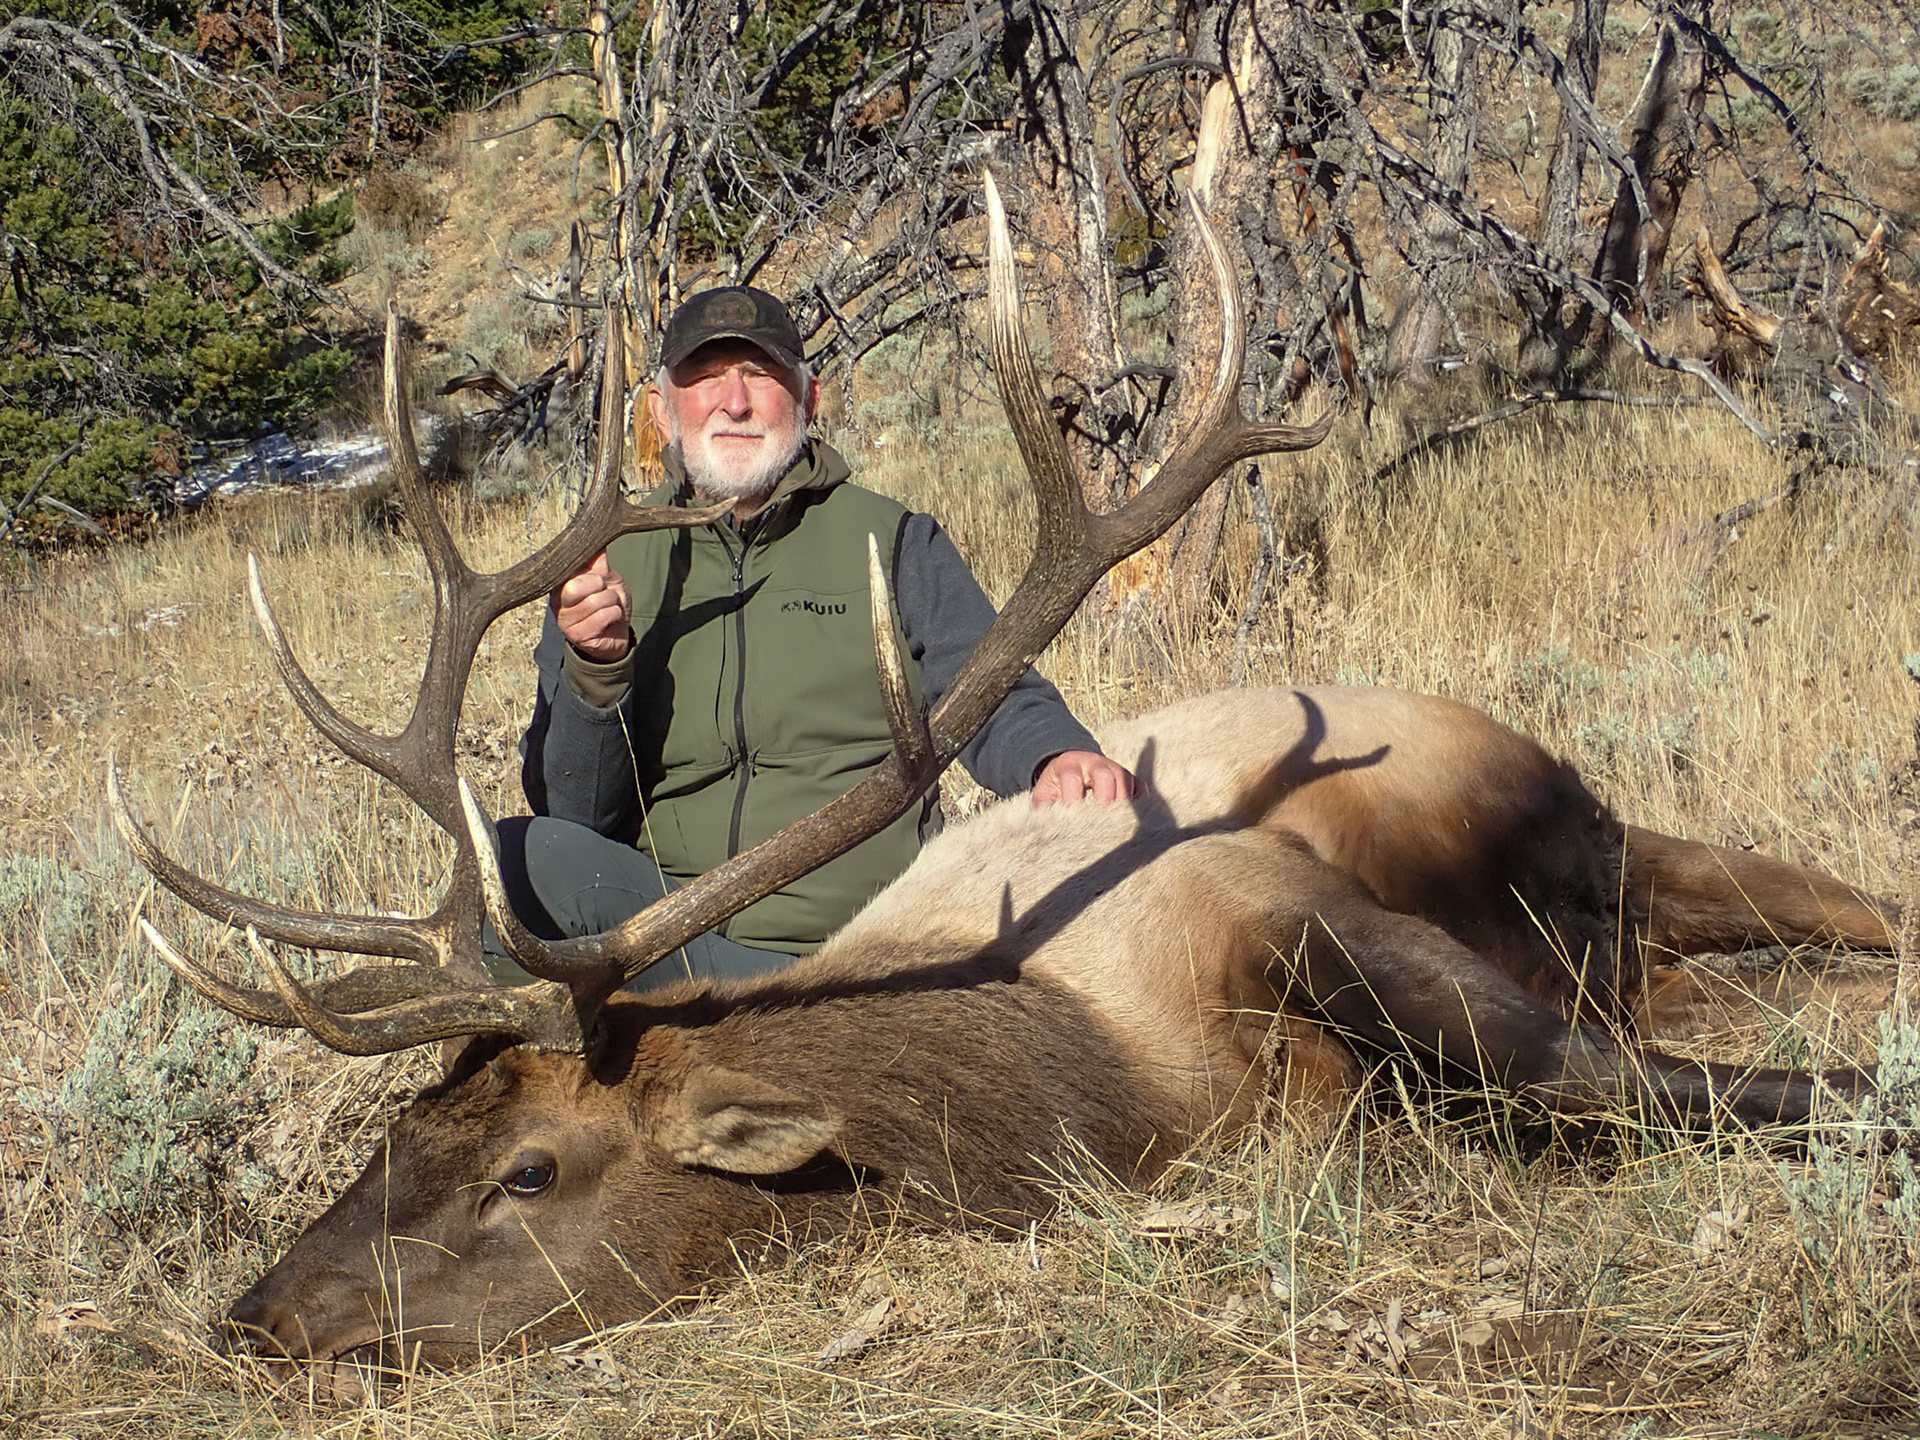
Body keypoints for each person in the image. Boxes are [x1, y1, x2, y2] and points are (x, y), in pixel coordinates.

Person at [495, 285, 1138, 991]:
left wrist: (1054, 754)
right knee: (509, 862)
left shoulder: (892, 540)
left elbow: (993, 686)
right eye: (705, 376)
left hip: (861, 950)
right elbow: (576, 816)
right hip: (672, 942)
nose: (734, 402)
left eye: (761, 374)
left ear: (808, 399)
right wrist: (596, 668)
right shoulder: (605, 561)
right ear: (660, 408)